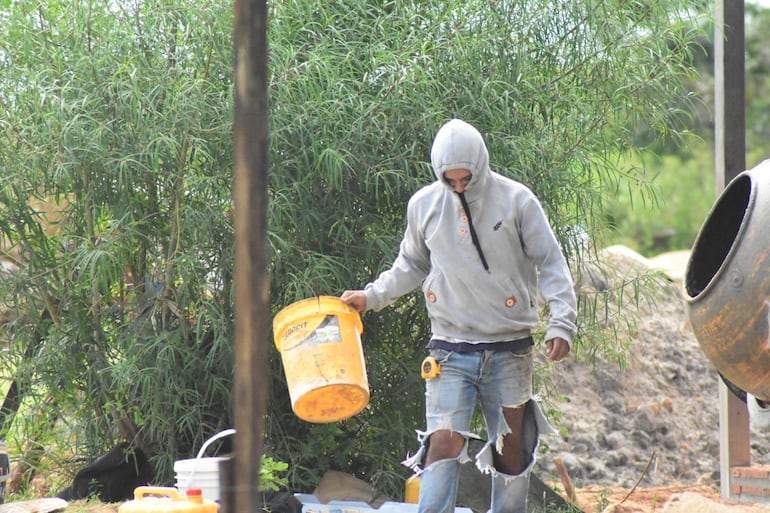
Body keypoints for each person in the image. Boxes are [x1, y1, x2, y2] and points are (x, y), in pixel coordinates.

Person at [341, 118, 577, 513]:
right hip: (450, 349)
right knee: (443, 442)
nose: (460, 186)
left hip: (510, 348)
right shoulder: (424, 205)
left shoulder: (517, 201)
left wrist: (562, 323)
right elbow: (411, 264)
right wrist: (372, 296)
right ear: (439, 174)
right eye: (451, 181)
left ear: (481, 166)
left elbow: (551, 263)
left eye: (467, 178)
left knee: (511, 448)